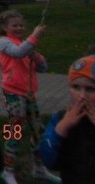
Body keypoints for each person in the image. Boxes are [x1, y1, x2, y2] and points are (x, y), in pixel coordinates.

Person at [0, 10, 60, 184]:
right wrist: (34, 37)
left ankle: (39, 168)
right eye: (14, 25)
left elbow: (43, 68)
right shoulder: (4, 42)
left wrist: (37, 57)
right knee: (16, 130)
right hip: (13, 93)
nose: (19, 28)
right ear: (4, 27)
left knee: (37, 130)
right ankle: (7, 171)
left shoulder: (25, 43)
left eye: (21, 25)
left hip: (28, 93)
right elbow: (18, 53)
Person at [40, 54, 95, 183]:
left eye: (90, 89)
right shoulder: (61, 118)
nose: (82, 96)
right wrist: (61, 130)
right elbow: (48, 160)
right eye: (76, 87)